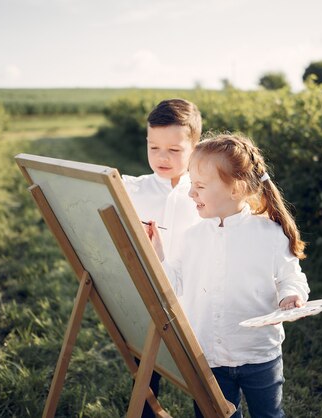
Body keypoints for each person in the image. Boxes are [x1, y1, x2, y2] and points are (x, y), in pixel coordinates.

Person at [146, 134, 310, 418]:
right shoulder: (192, 237)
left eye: (199, 186)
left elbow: (290, 277)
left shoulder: (269, 234)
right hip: (208, 357)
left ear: (235, 188)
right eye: (190, 184)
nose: (190, 193)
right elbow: (172, 284)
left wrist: (291, 296)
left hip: (260, 355)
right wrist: (157, 255)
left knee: (268, 415)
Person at [122, 98, 202, 417]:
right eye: (154, 148)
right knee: (146, 376)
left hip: (193, 302)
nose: (162, 157)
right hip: (149, 303)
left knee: (203, 378)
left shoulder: (204, 192)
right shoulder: (132, 189)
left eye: (174, 149)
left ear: (194, 147)